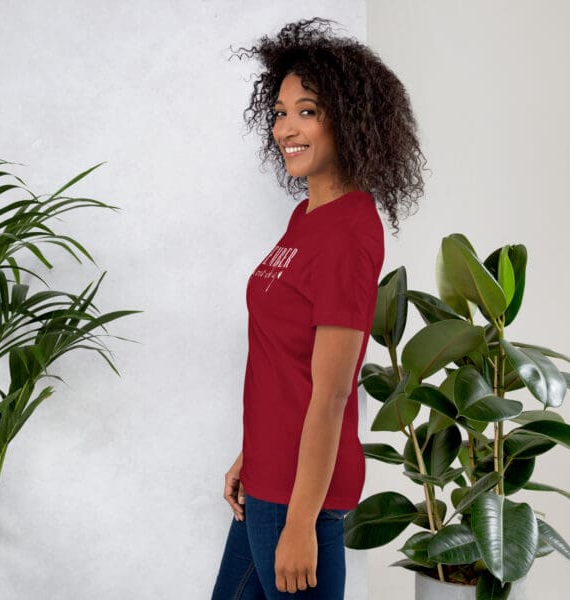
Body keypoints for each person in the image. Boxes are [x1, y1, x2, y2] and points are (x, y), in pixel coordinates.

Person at [211, 17, 426, 599]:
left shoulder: (350, 230)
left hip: (301, 497)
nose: (287, 128)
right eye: (280, 112)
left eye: (307, 111)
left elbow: (332, 393)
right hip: (269, 482)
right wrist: (251, 455)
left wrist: (302, 523)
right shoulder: (306, 217)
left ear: (350, 121)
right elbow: (288, 363)